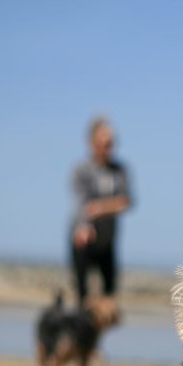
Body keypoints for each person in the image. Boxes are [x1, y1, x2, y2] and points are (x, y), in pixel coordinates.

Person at [70, 116, 133, 308]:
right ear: (92, 144)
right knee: (82, 293)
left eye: (112, 143)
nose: (109, 148)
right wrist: (84, 225)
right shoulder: (82, 170)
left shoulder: (120, 170)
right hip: (84, 237)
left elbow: (126, 201)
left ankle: (98, 332)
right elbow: (82, 203)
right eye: (104, 144)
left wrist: (100, 208)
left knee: (109, 293)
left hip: (108, 239)